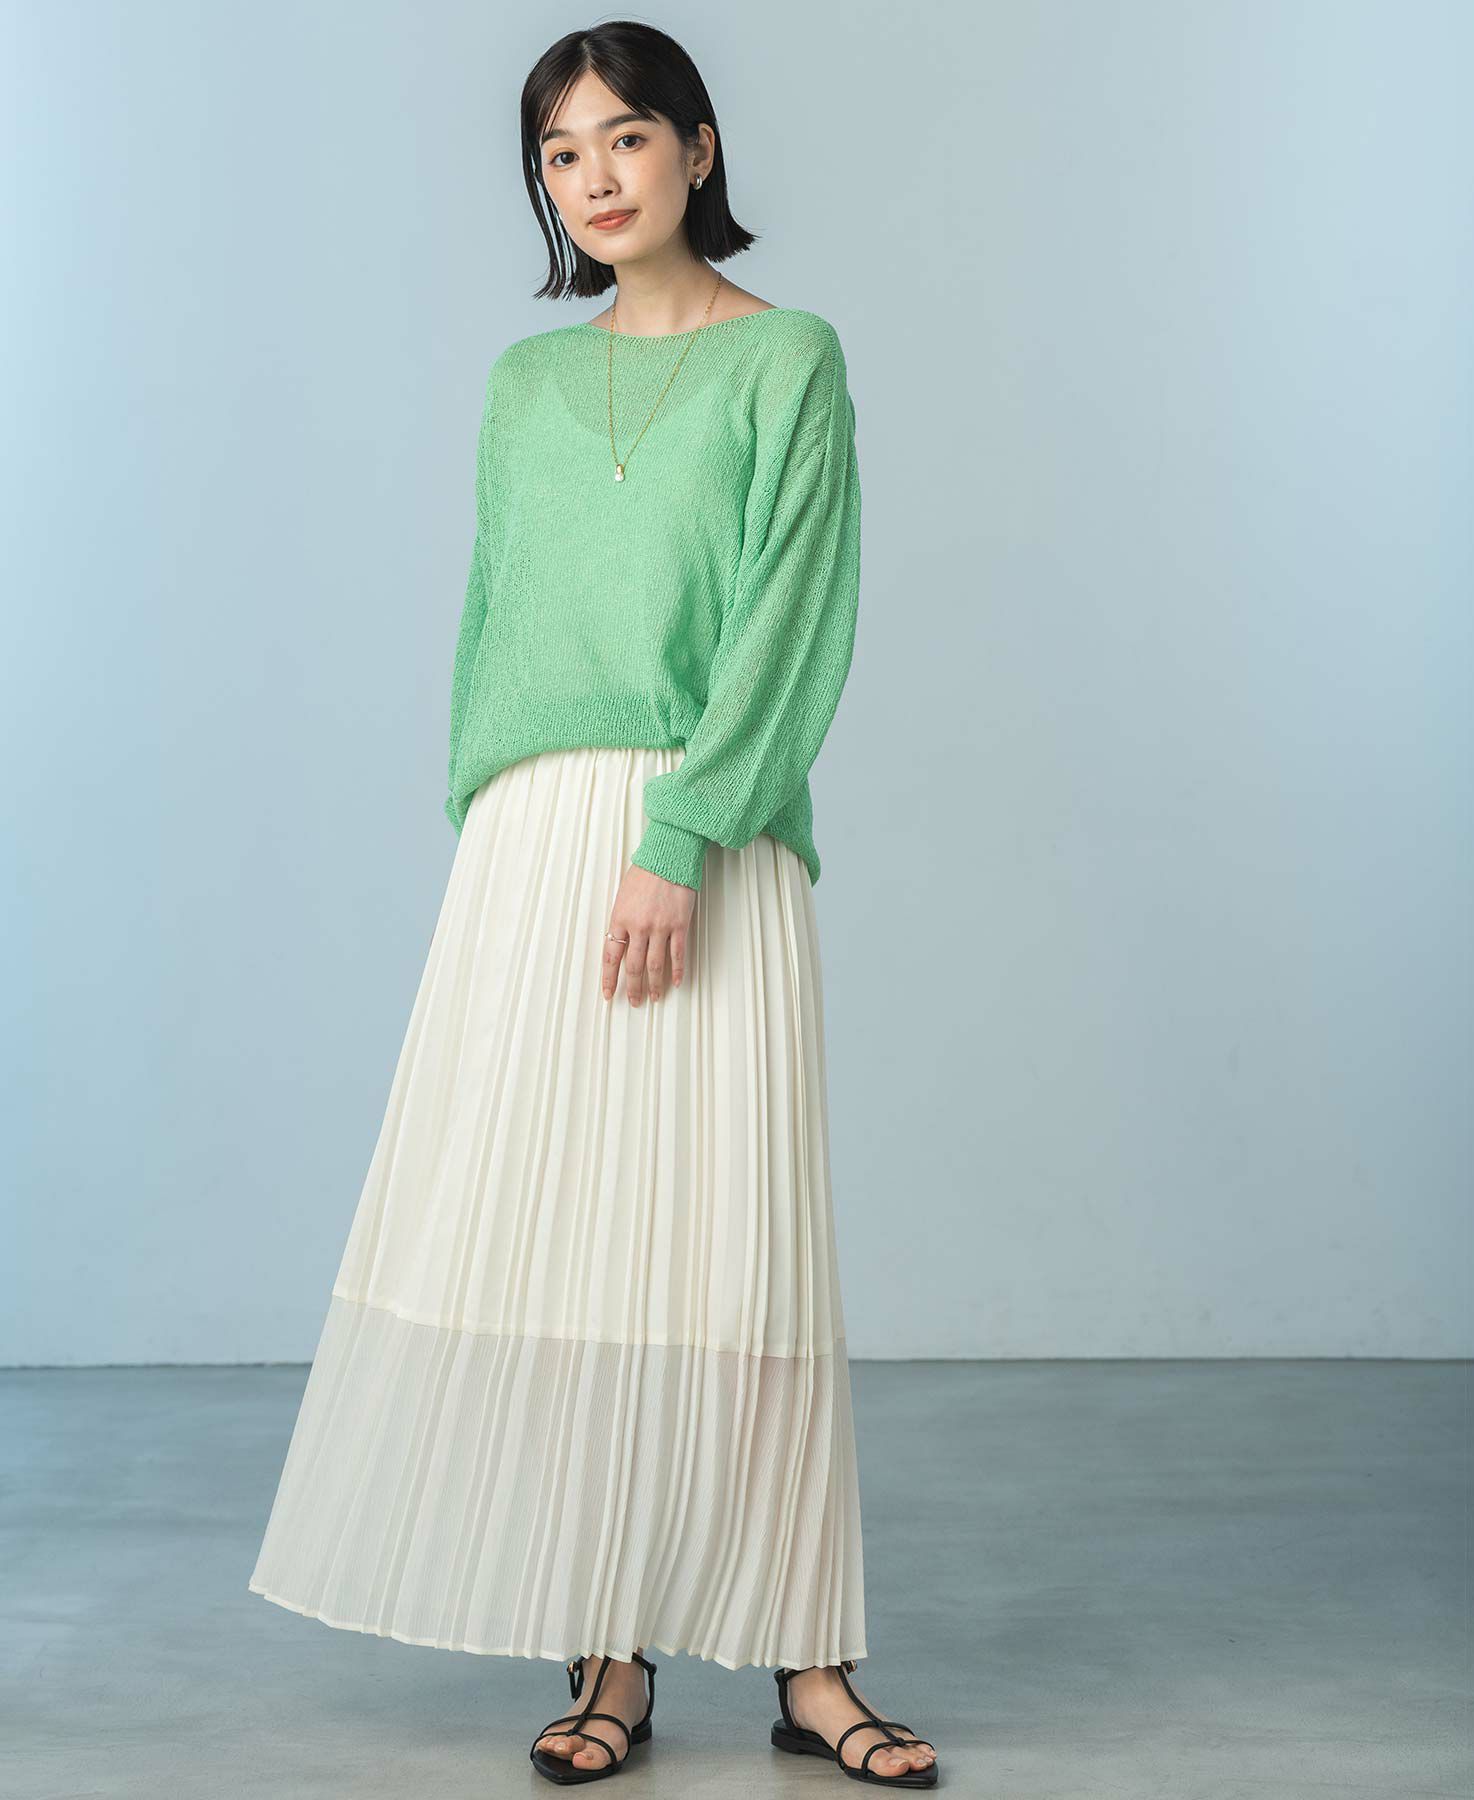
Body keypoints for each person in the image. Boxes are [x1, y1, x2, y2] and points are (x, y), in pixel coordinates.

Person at [246, 19, 938, 1789]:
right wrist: (496, 837)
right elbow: (495, 628)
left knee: (739, 1241)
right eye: (560, 154)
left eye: (627, 136)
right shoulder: (524, 386)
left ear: (699, 148)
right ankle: (606, 1647)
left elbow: (795, 619)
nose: (596, 177)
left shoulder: (791, 360)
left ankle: (810, 1659)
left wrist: (678, 836)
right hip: (532, 846)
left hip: (710, 827)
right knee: (568, 1241)